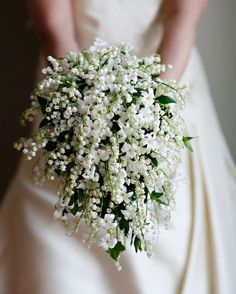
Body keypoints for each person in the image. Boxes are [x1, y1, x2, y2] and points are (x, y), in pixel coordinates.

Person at [1, 0, 236, 293]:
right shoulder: (76, 93)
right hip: (73, 82)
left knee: (173, 237)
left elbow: (183, 17)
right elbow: (55, 30)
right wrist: (84, 110)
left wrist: (150, 109)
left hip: (170, 70)